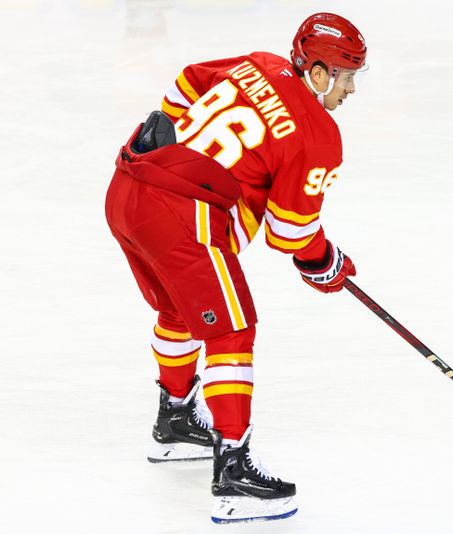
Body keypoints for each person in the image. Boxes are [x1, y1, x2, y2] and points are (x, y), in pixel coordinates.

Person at [104, 12, 366, 523]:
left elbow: (188, 81)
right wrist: (324, 263)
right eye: (347, 74)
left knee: (182, 311)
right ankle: (235, 474)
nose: (352, 88)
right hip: (182, 216)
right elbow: (289, 233)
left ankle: (176, 421)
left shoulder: (260, 66)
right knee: (232, 329)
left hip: (128, 185)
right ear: (317, 73)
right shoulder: (318, 135)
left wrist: (184, 150)